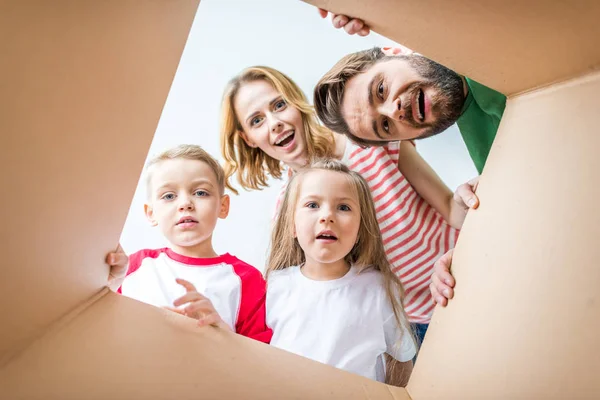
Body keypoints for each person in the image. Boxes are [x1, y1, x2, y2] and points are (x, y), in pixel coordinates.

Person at [220, 65, 478, 346]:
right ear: (248, 138)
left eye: (279, 105)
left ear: (296, 101)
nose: (274, 123)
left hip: (468, 267)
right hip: (420, 325)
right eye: (256, 121)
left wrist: (471, 196)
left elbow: (450, 209)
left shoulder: (368, 138)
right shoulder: (288, 210)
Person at [266, 158, 415, 385]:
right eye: (313, 205)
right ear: (292, 225)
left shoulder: (379, 288)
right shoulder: (273, 287)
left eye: (343, 207)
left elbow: (401, 360)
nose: (327, 216)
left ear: (359, 230)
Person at [105, 144, 272, 343]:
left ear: (223, 206)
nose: (185, 203)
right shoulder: (133, 266)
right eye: (169, 196)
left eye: (200, 193)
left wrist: (222, 334)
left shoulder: (247, 280)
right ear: (151, 213)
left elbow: (261, 360)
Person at [314, 10, 506, 175]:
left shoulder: (475, 19)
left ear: (395, 52)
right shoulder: (494, 165)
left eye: (381, 90)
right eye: (386, 125)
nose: (393, 111)